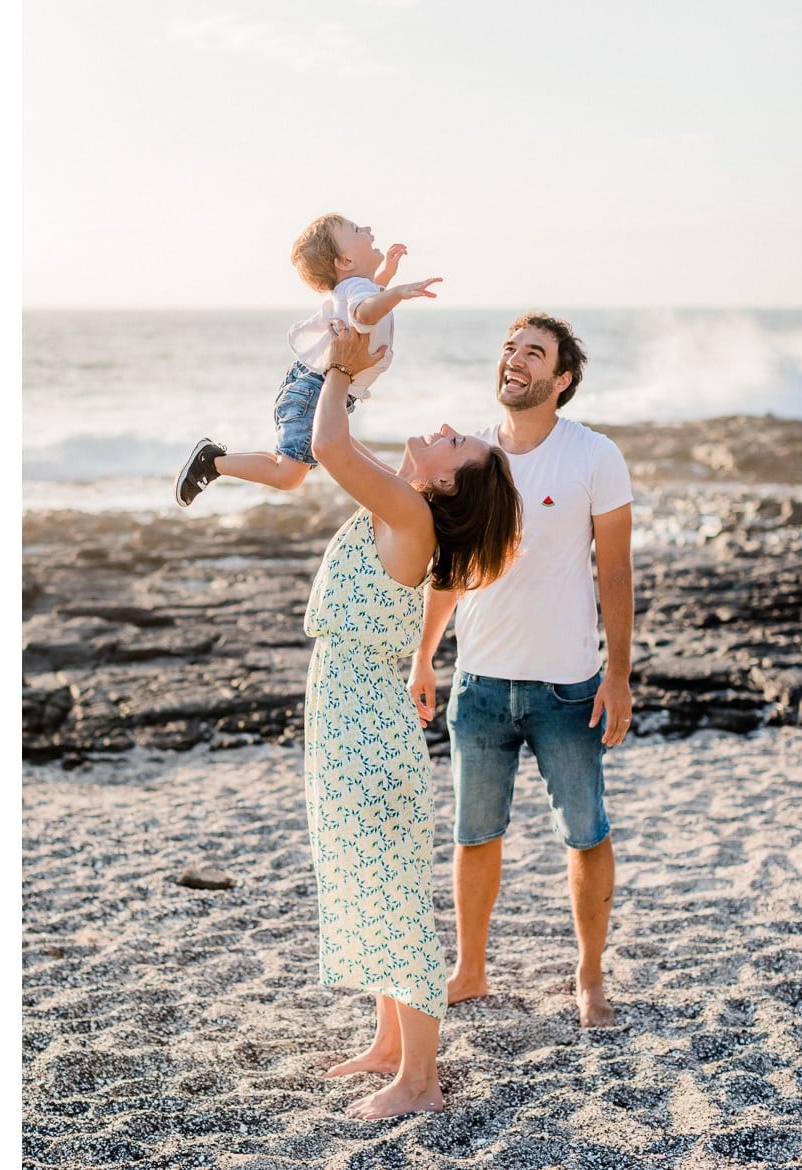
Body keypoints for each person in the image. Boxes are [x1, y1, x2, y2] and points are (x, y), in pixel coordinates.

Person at [300, 320, 522, 1119]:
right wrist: (351, 376)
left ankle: (420, 1081)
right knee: (366, 885)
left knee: (392, 899)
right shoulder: (404, 508)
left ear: (449, 483)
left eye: (453, 439)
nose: (438, 429)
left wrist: (337, 368)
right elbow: (343, 450)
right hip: (348, 718)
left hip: (364, 728)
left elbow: (329, 448)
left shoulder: (412, 515)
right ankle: (391, 1045)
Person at [407, 312, 633, 1029]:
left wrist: (619, 674)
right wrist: (425, 653)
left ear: (560, 379)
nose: (514, 360)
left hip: (569, 686)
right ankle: (470, 969)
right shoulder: (474, 456)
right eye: (508, 348)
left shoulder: (594, 456)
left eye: (532, 353)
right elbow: (451, 565)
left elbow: (618, 572)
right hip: (479, 683)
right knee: (474, 836)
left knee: (586, 832)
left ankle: (590, 975)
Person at [175, 213, 441, 505]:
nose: (367, 229)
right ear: (345, 262)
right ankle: (211, 462)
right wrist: (397, 293)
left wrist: (387, 274)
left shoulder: (356, 289)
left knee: (326, 451)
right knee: (288, 475)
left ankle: (403, 489)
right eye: (356, 230)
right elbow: (365, 313)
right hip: (316, 389)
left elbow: (368, 297)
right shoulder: (358, 294)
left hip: (316, 386)